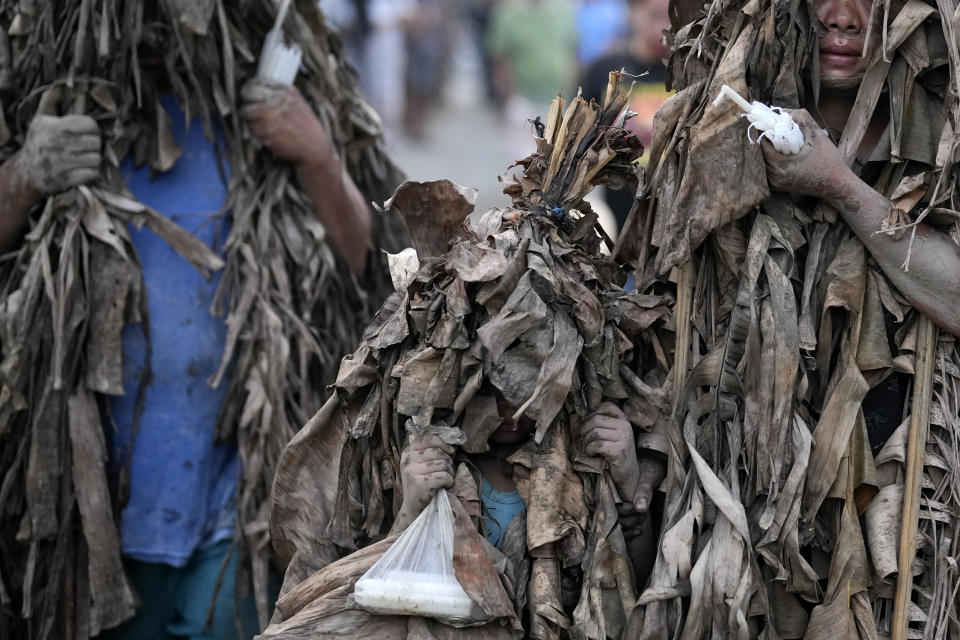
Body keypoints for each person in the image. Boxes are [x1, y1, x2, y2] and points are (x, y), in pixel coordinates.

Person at [0, 3, 407, 639]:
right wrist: (24, 175)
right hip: (88, 515)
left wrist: (317, 155)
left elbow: (366, 267)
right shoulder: (44, 90)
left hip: (235, 510)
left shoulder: (268, 108)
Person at [627, 0, 960, 634]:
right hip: (741, 499)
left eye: (869, 1)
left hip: (903, 503)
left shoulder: (942, 144)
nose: (843, 17)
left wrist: (839, 184)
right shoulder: (715, 134)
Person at [580, 0, 672, 229]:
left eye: (671, 17)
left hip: (673, 203)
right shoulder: (604, 71)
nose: (664, 26)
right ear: (632, 13)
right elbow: (579, 139)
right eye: (654, 15)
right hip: (621, 207)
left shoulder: (689, 73)